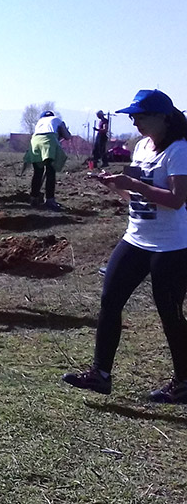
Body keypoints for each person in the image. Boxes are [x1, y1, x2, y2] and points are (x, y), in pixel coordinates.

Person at [63, 89, 187, 403]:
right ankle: (100, 375)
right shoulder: (141, 147)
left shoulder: (179, 151)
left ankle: (184, 382)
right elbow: (137, 197)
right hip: (136, 238)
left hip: (171, 246)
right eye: (132, 116)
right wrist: (118, 186)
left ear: (164, 117)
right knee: (110, 300)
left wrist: (132, 184)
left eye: (141, 116)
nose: (135, 122)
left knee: (169, 313)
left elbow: (175, 200)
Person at [25, 110, 71, 211]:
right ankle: (50, 200)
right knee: (50, 172)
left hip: (35, 142)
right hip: (49, 142)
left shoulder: (39, 122)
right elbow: (67, 136)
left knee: (38, 172)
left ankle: (34, 198)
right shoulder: (57, 120)